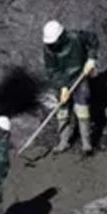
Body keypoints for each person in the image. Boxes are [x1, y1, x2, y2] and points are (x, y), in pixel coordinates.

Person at [42, 20, 98, 154]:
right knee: (62, 110)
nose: (52, 45)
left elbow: (93, 41)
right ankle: (63, 142)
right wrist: (62, 87)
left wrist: (91, 59)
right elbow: (52, 71)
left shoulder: (76, 37)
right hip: (62, 80)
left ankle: (86, 143)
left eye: (54, 42)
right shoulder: (49, 50)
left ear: (61, 36)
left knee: (82, 107)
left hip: (79, 76)